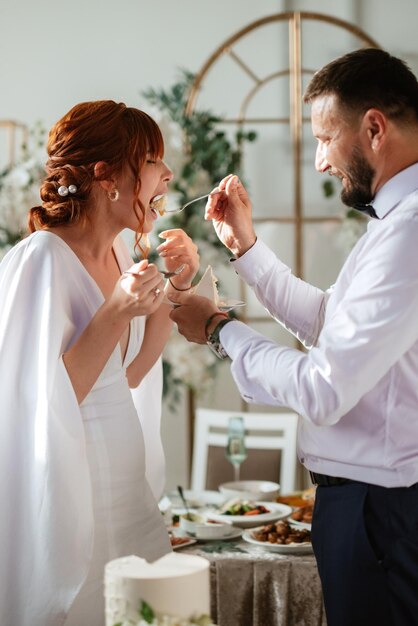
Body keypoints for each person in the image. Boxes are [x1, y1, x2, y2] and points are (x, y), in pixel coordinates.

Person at [169, 48, 418, 626]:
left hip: (379, 512)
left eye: (324, 139)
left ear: (374, 128)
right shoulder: (396, 226)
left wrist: (218, 329)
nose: (319, 163)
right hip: (369, 505)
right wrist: (245, 249)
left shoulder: (408, 233)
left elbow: (324, 387)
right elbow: (332, 322)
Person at [0, 100, 199, 626]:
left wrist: (176, 284)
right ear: (105, 175)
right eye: (152, 159)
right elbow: (36, 406)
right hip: (72, 499)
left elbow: (129, 375)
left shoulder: (124, 258)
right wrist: (115, 311)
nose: (167, 174)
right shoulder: (39, 259)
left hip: (126, 495)